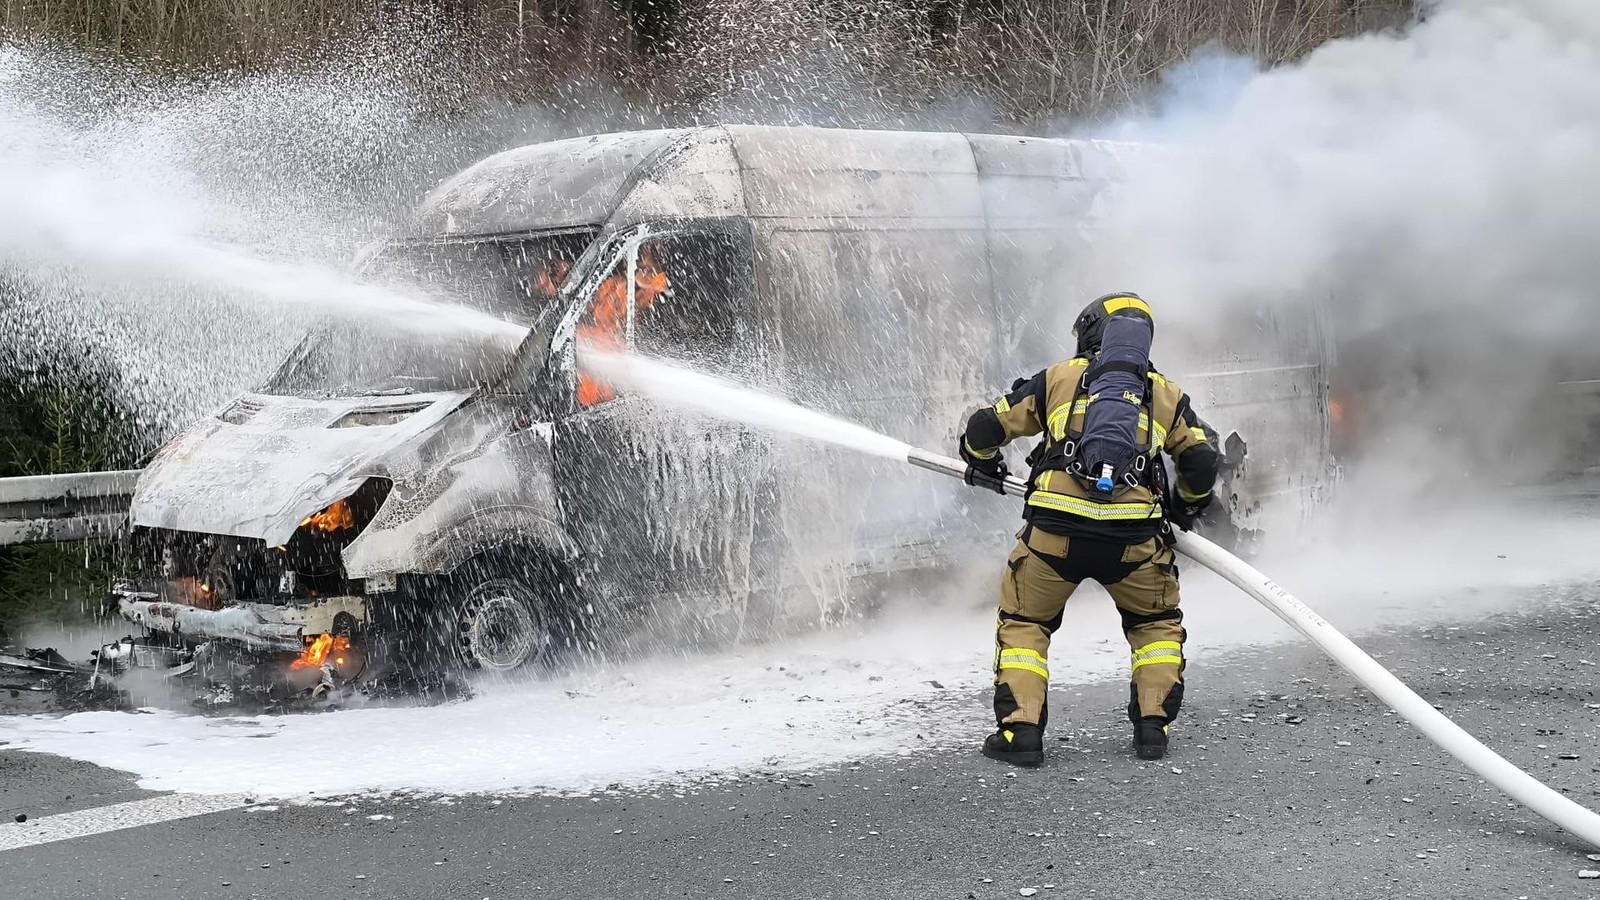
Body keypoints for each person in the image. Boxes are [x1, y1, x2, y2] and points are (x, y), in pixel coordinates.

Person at [957, 292, 1221, 765]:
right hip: (1135, 542)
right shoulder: (1166, 394)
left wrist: (984, 464)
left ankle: (1021, 735)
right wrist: (1183, 508)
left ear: (1091, 332)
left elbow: (983, 428)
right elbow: (1201, 459)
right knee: (1154, 624)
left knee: (1025, 623)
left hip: (1054, 535)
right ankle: (1151, 729)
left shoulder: (1057, 379)